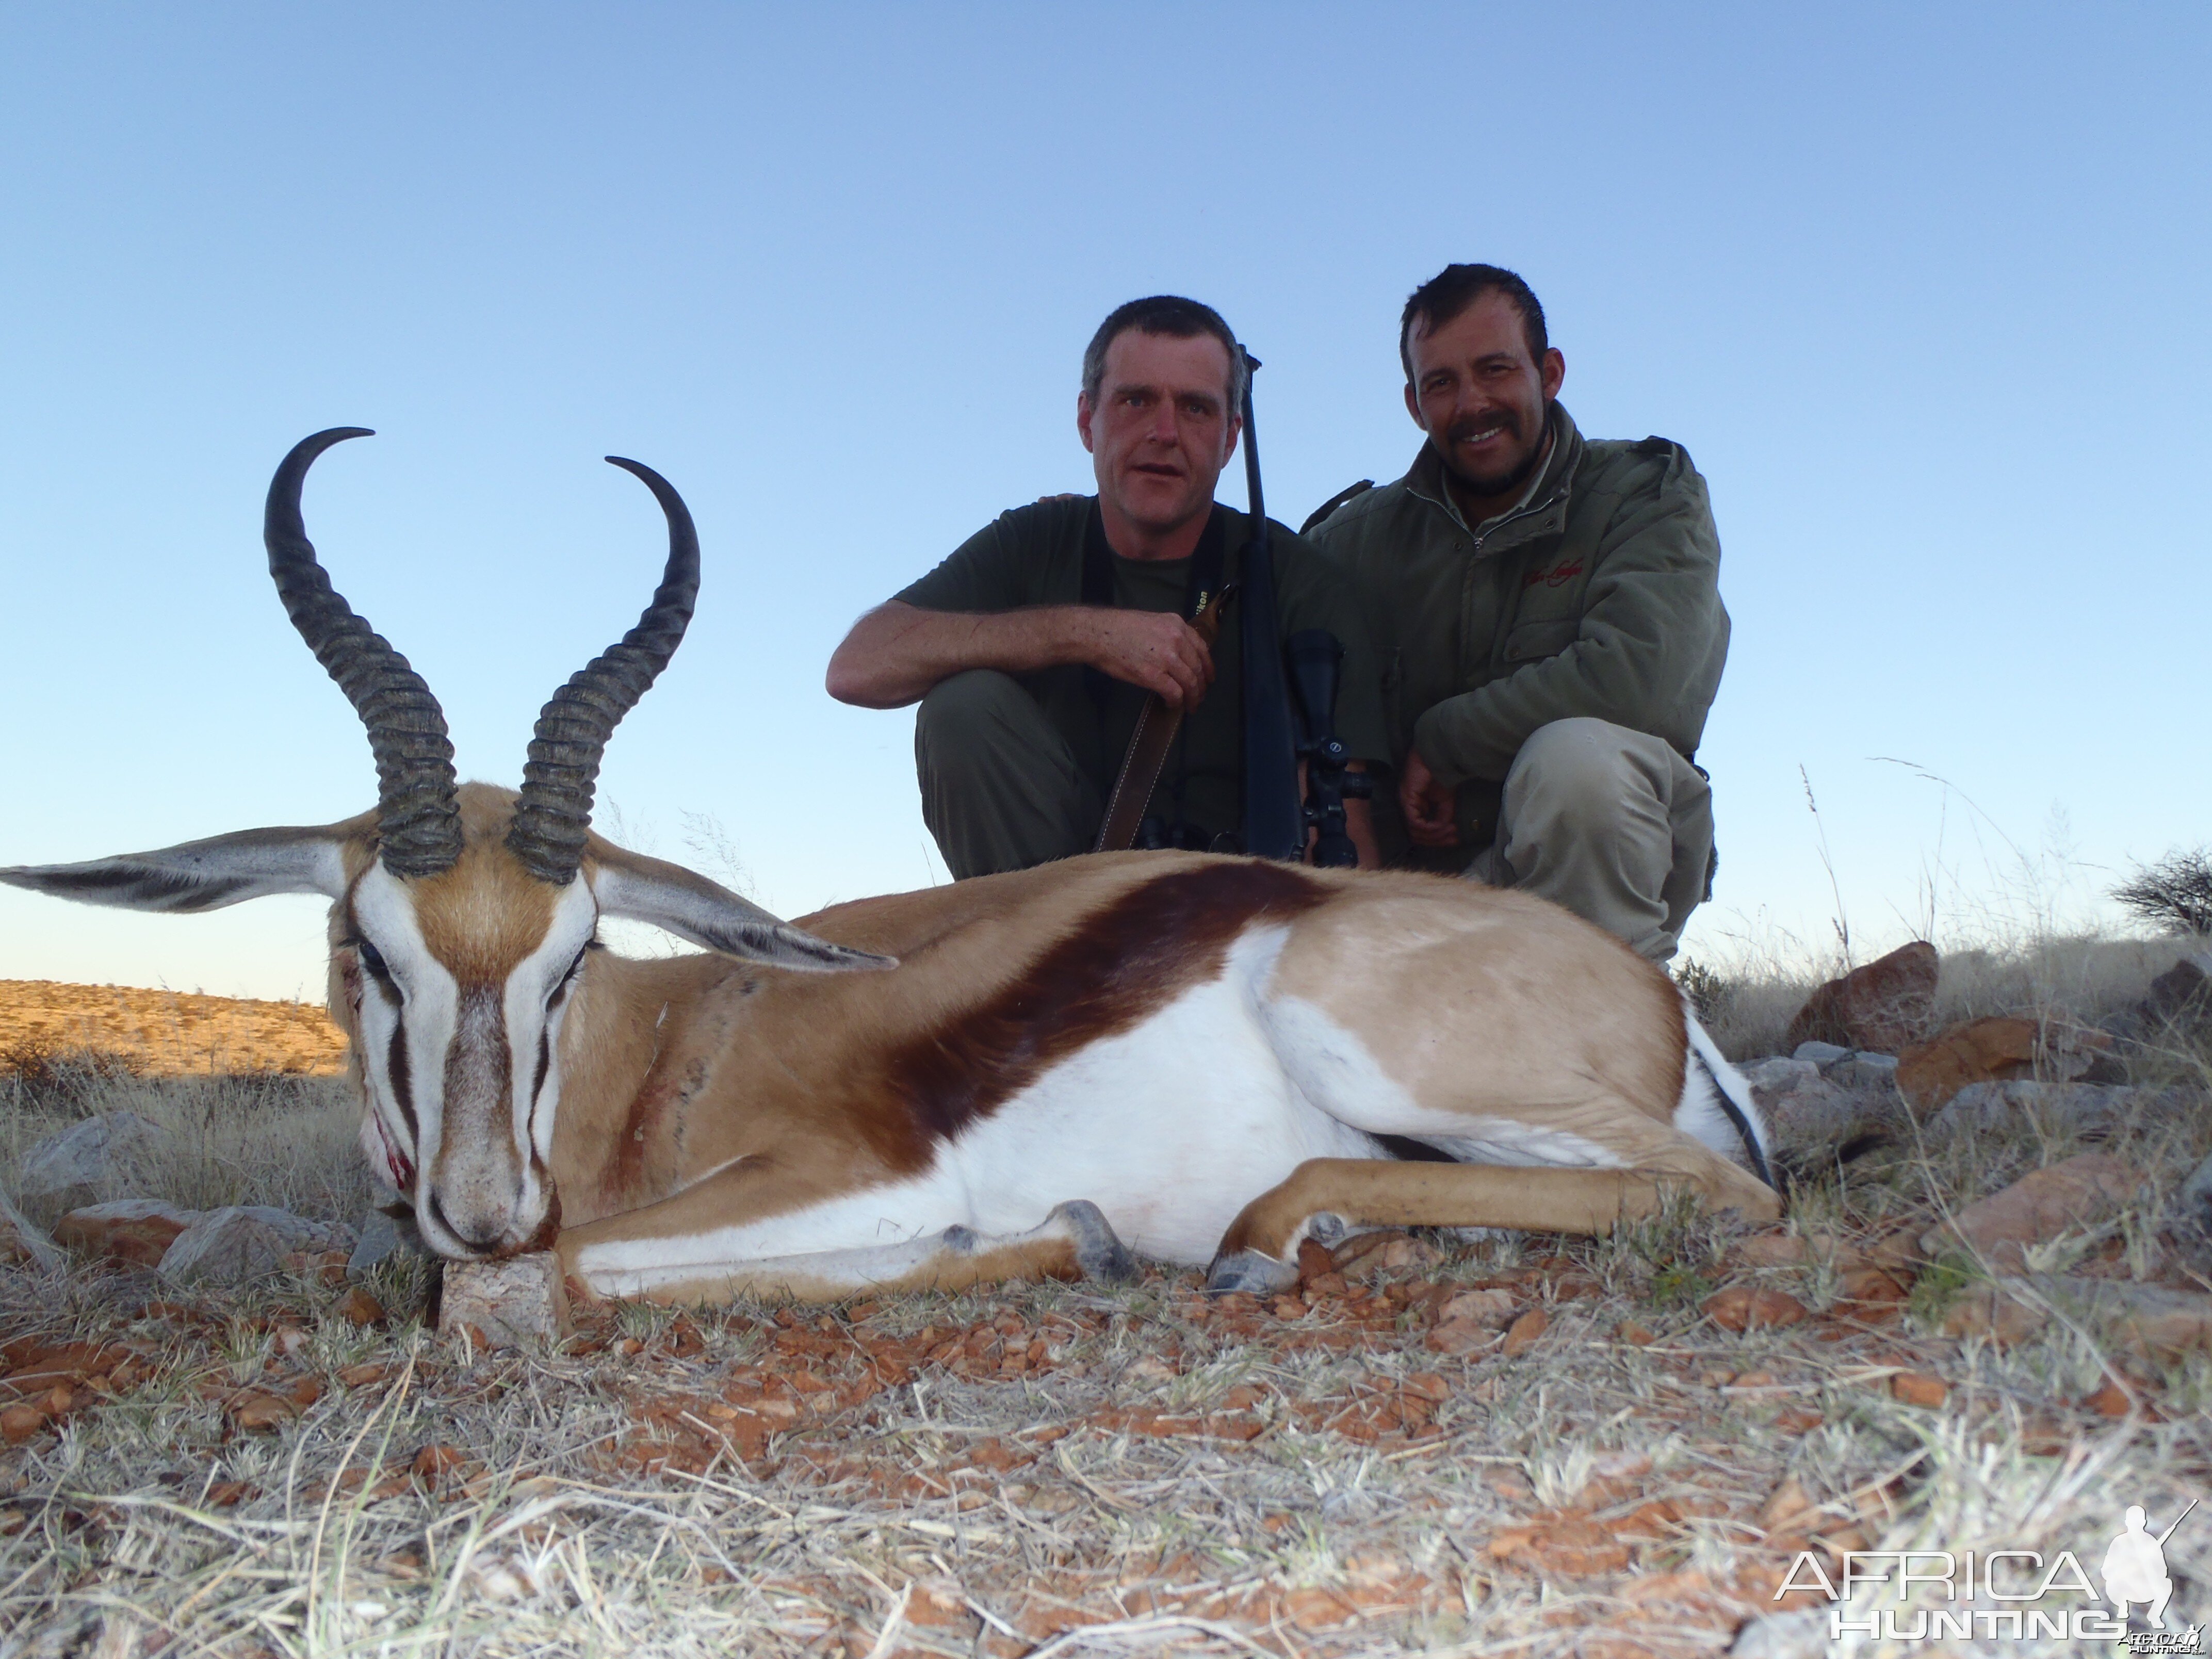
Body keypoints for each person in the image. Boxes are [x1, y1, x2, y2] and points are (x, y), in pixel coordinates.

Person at [827, 296, 1387, 879]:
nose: (1164, 433)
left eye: (1195, 408)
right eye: (1135, 400)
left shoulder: (1300, 579)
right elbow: (856, 666)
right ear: (1085, 421)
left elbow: (1348, 832)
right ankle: (1035, 958)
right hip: (1060, 916)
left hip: (1241, 915)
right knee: (961, 709)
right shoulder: (1034, 539)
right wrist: (1084, 633)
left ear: (1229, 438)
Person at [1305, 264, 1729, 962]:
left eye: (1495, 370)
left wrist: (1442, 743)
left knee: (1578, 767)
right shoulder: (1347, 544)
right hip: (1412, 901)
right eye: (1440, 383)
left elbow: (1641, 682)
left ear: (1550, 372)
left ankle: (1606, 1039)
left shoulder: (1646, 495)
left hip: (1585, 873)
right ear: (1414, 405)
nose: (1471, 404)